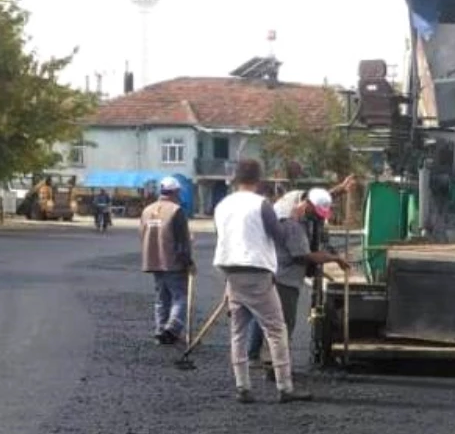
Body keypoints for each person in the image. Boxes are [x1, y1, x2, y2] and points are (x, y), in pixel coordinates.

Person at [213, 159, 311, 403]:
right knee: (276, 329)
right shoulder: (261, 205)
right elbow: (278, 235)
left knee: (238, 331)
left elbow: (222, 235)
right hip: (256, 271)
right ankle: (285, 387)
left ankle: (243, 387)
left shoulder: (222, 205)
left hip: (230, 271)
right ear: (258, 179)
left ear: (235, 178)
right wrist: (294, 220)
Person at [247, 186, 350, 373]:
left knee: (269, 318)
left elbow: (320, 197)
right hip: (283, 277)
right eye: (317, 212)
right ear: (307, 204)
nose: (318, 217)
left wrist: (340, 189)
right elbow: (303, 255)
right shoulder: (292, 223)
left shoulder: (298, 200)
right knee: (282, 324)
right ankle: (275, 367)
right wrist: (334, 258)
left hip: (274, 273)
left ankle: (264, 359)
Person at [140, 176, 195, 345]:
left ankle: (160, 330)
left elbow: (142, 234)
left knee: (161, 298)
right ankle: (172, 329)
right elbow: (182, 241)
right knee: (180, 297)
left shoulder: (147, 210)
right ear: (176, 192)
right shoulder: (176, 211)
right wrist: (188, 261)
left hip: (153, 260)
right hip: (173, 262)